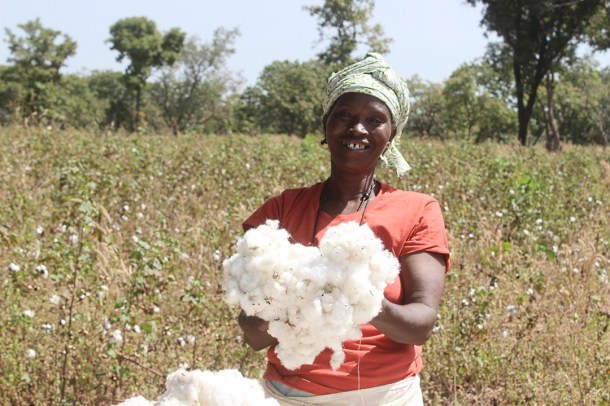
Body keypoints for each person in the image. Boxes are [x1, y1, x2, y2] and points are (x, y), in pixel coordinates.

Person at [237, 53, 450, 406]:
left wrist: (361, 298)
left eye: (374, 119)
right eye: (345, 116)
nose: (358, 129)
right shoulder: (279, 212)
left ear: (391, 134)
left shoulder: (417, 211)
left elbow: (421, 324)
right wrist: (282, 301)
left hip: (385, 396)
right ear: (326, 125)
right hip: (289, 396)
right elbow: (254, 337)